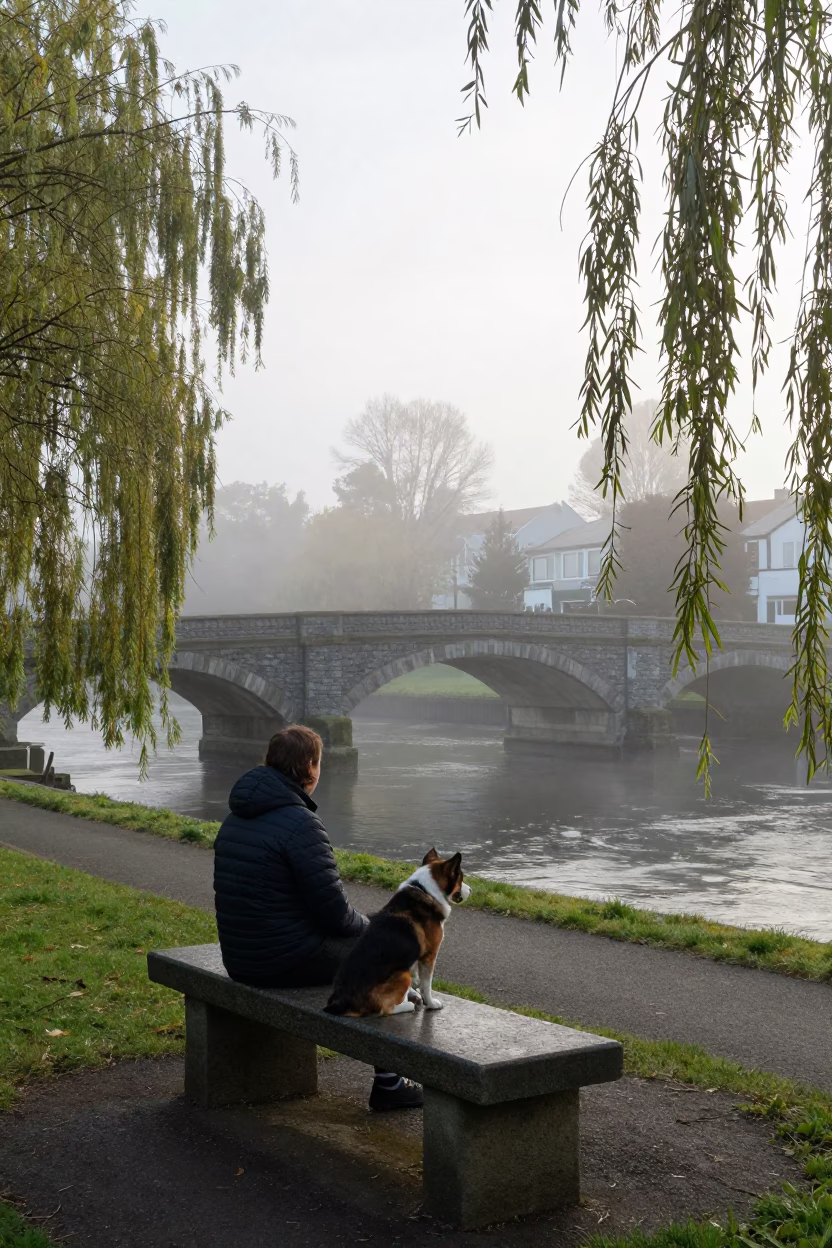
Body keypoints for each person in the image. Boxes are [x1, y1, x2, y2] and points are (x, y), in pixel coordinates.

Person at [213, 724, 422, 1112]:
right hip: (281, 960)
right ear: (310, 766)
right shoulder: (300, 824)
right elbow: (335, 916)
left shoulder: (236, 816)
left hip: (243, 958)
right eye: (319, 762)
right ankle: (391, 1083)